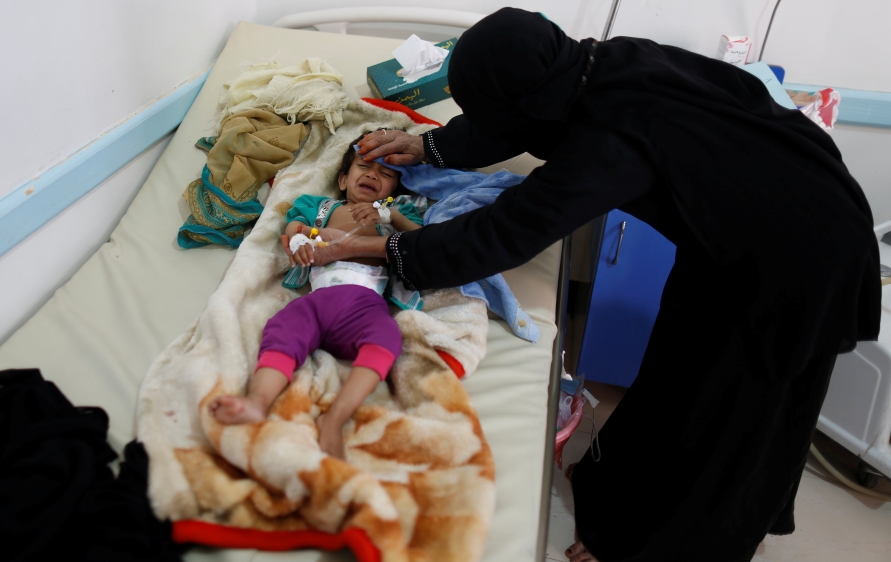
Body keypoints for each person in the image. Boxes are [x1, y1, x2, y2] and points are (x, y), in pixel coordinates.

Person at [302, 8, 882, 562]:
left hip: (797, 257)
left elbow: (503, 233)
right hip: (751, 225)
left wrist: (383, 247)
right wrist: (435, 145)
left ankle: (658, 546)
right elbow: (521, 115)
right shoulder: (601, 64)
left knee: (729, 411)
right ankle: (619, 493)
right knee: (677, 366)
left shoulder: (610, 144)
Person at [209, 133, 423, 459]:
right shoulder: (319, 206)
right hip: (317, 300)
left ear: (395, 189)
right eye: (363, 166)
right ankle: (257, 402)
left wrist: (389, 216)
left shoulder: (396, 212)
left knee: (387, 338)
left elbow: (425, 243)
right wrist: (306, 237)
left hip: (364, 303)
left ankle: (335, 419)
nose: (372, 175)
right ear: (342, 178)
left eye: (386, 174)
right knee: (283, 326)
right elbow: (293, 229)